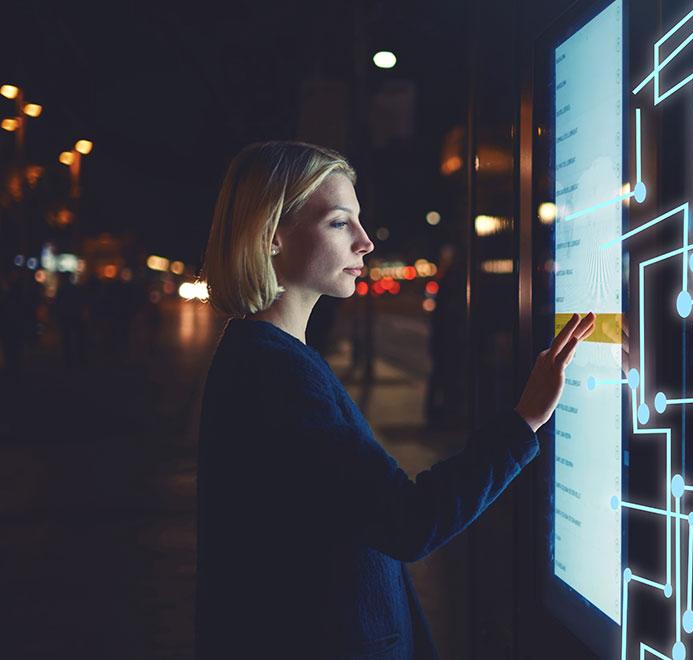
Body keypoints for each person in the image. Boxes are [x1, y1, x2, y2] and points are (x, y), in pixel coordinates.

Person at [195, 141, 595, 659]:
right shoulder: (277, 375)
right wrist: (525, 420)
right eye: (340, 223)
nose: (365, 242)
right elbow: (408, 521)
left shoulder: (266, 357)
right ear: (272, 236)